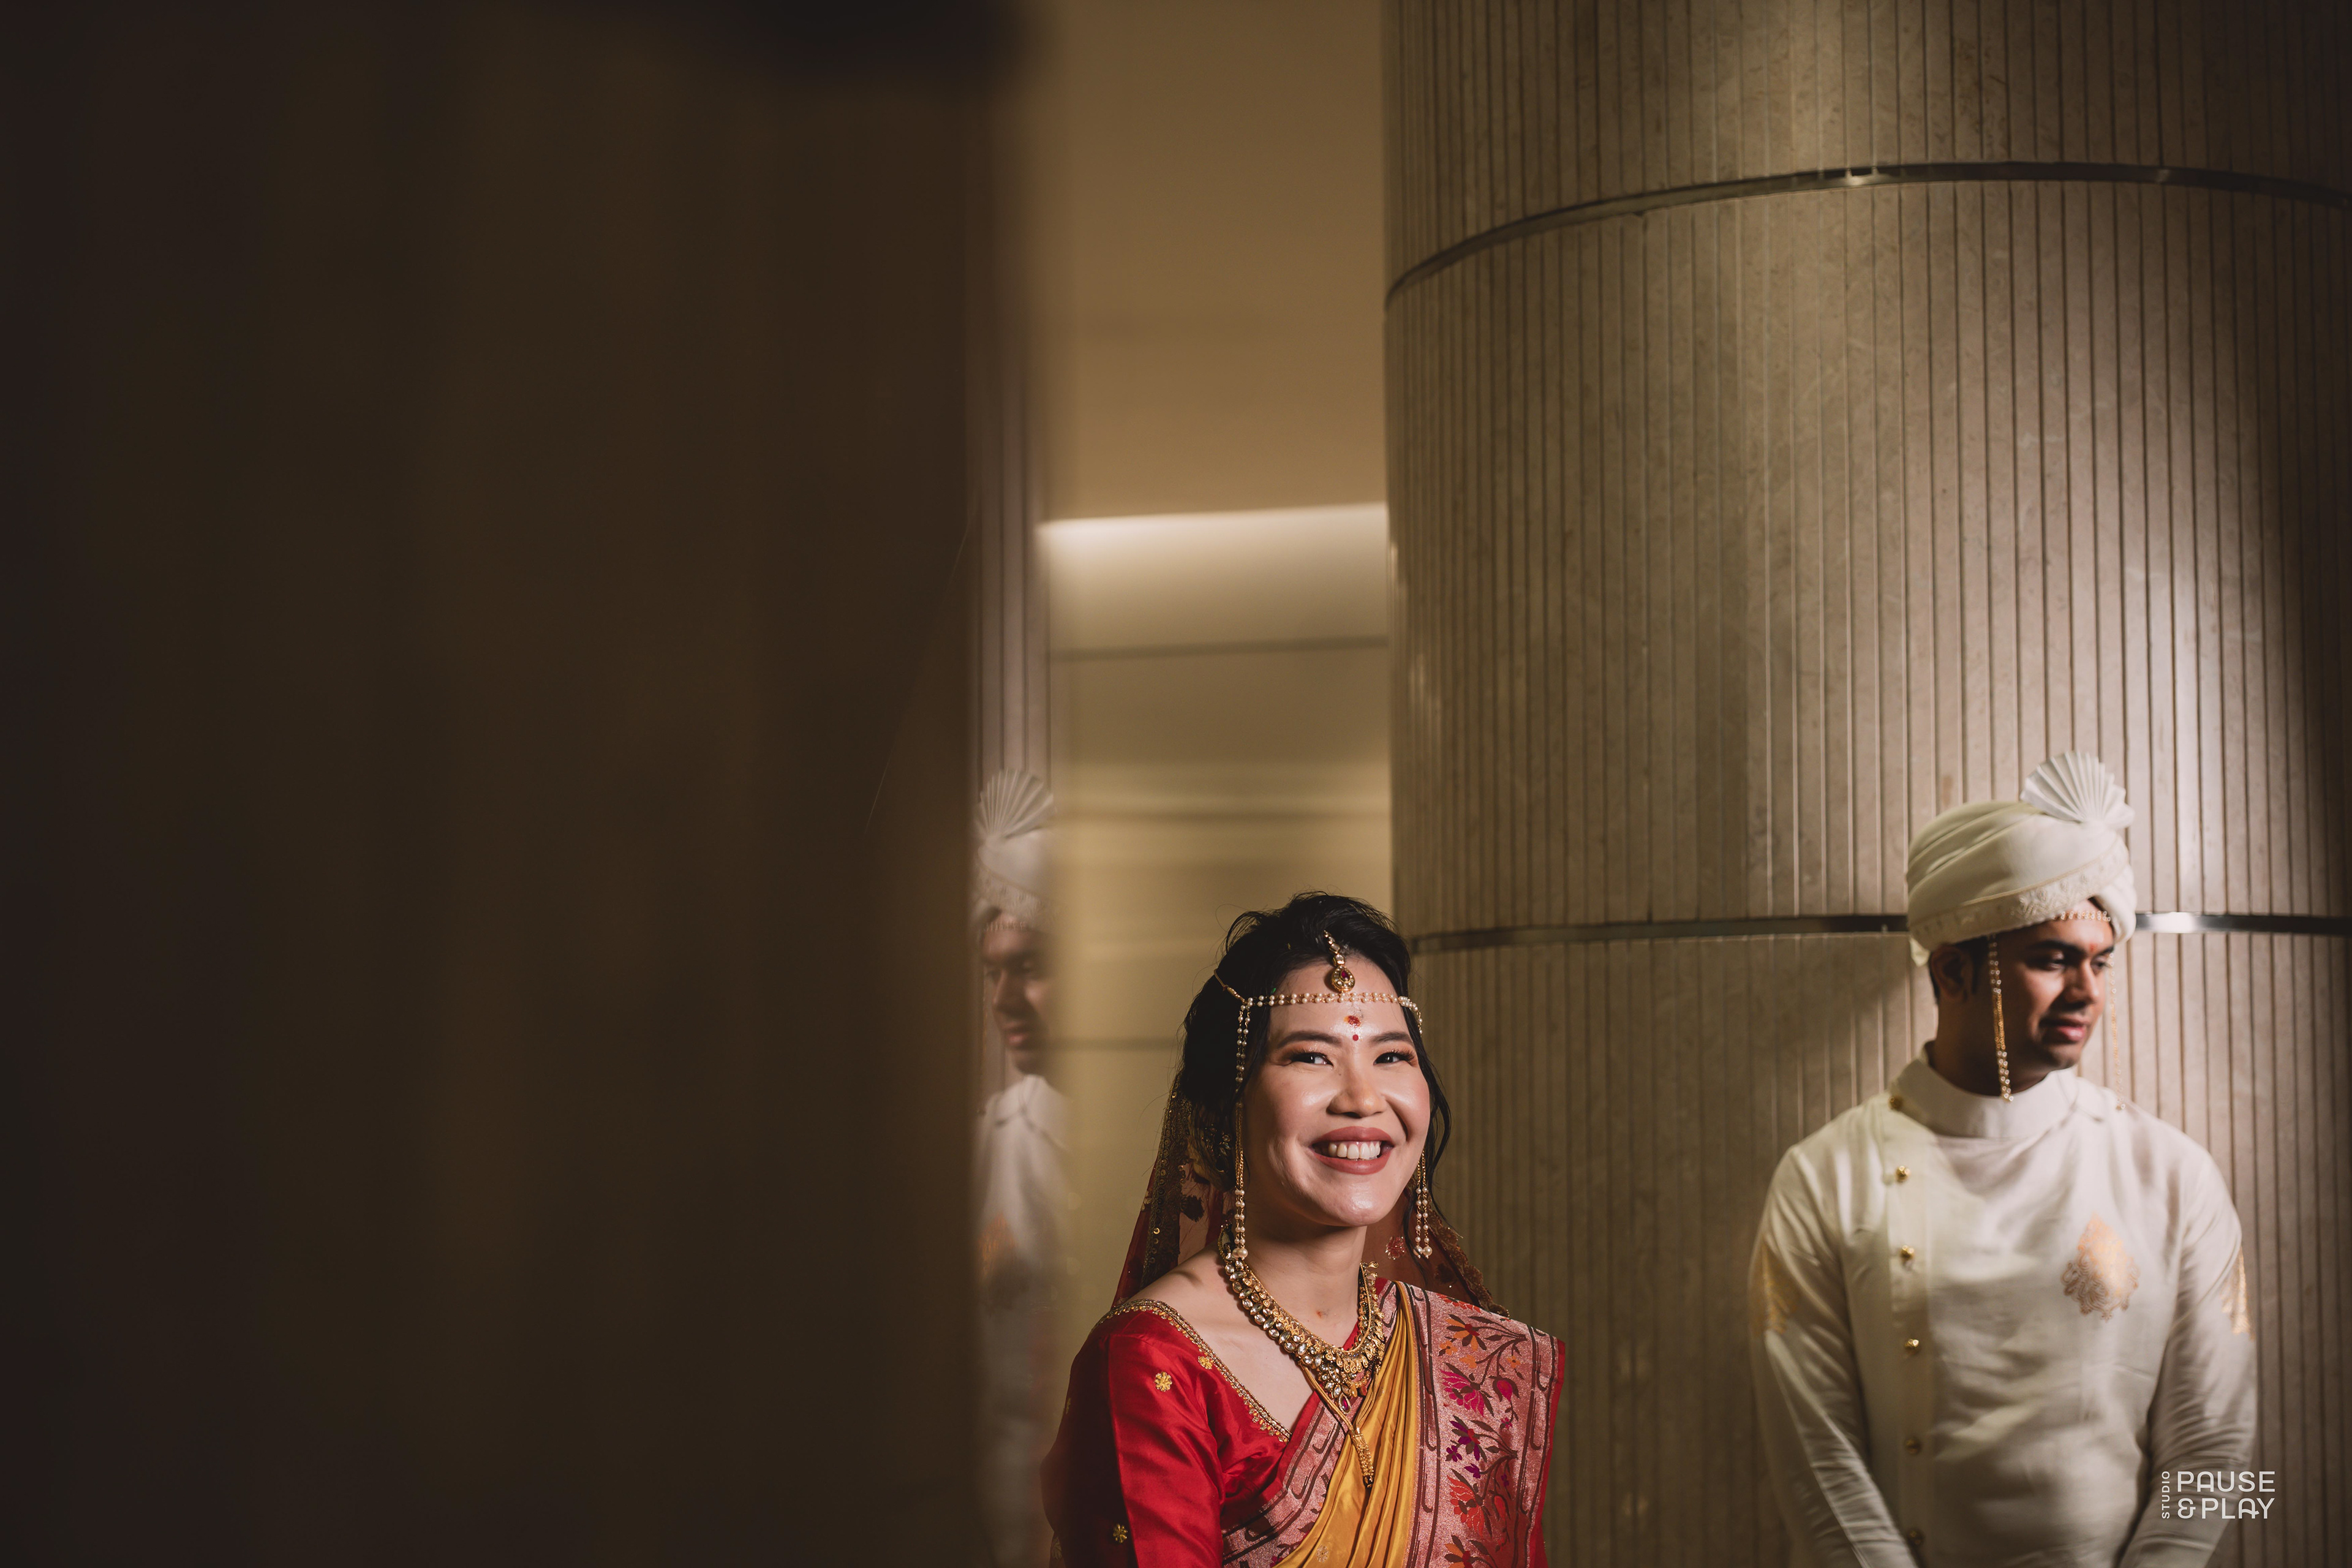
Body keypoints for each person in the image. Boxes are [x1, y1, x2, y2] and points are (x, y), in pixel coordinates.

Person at [1750, 753, 2255, 1566]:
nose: (2087, 990)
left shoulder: (2172, 1173)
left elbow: (2223, 1451)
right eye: (2053, 959)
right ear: (1954, 971)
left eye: (2100, 961)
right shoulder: (1824, 1179)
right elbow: (1813, 1465)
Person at [1044, 894, 1561, 1567]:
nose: (1363, 1099)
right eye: (1312, 1057)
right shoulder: (1155, 1363)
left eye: (1392, 1056)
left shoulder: (1472, 1361)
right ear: (1223, 1106)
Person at [973, 770, 1066, 1568]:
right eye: (992, 971)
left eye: (1030, 966)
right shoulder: (990, 1147)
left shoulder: (1188, 1143)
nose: (1004, 997)